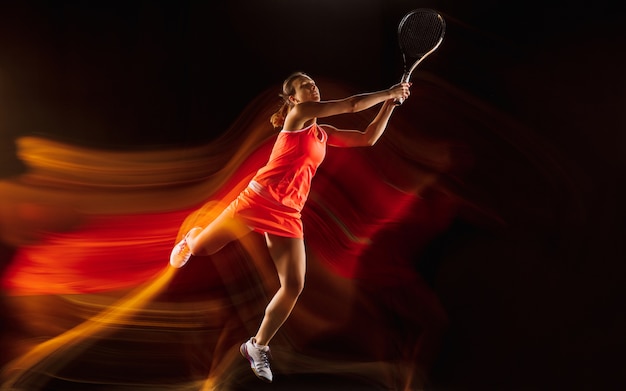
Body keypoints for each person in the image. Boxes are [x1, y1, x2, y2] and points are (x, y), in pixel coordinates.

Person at [169, 72, 411, 383]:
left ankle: (257, 345)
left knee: (294, 285)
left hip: (288, 213)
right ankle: (192, 239)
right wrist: (388, 90)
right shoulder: (299, 116)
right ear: (294, 99)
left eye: (313, 82)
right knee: (202, 249)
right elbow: (352, 105)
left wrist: (390, 103)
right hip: (259, 199)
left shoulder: (322, 133)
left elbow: (368, 137)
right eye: (304, 85)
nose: (313, 86)